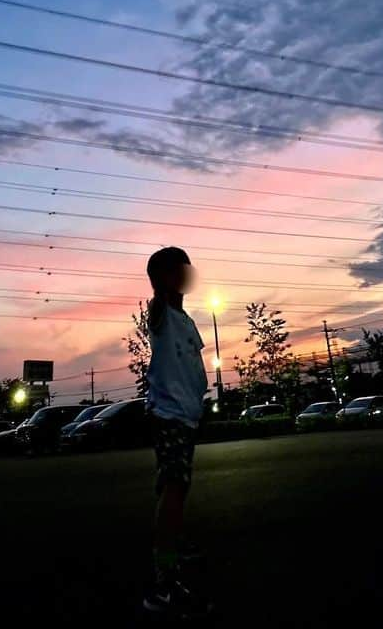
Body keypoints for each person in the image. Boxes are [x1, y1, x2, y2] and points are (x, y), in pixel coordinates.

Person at [142, 246, 210, 616]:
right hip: (169, 416)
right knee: (174, 487)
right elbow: (155, 308)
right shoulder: (161, 315)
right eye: (181, 269)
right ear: (166, 277)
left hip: (185, 416)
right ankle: (162, 585)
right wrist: (160, 290)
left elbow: (193, 367)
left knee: (176, 486)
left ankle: (173, 546)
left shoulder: (185, 321)